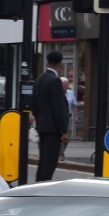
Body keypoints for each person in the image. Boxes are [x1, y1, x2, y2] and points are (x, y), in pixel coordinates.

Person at [32, 50, 70, 181]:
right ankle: (43, 187)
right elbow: (58, 108)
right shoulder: (55, 81)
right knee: (50, 163)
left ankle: (38, 184)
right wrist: (63, 130)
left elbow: (34, 104)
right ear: (60, 64)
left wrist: (39, 118)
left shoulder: (39, 79)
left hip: (42, 126)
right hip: (53, 129)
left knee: (43, 160)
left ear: (47, 62)